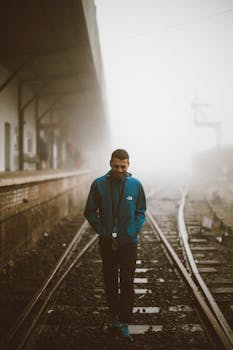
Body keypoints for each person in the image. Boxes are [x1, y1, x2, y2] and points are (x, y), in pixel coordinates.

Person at [84, 149, 146, 341]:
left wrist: (132, 231)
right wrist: (103, 232)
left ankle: (124, 321)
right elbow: (90, 211)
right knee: (110, 281)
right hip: (107, 243)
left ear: (128, 165)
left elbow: (141, 211)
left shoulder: (136, 185)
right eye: (116, 166)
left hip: (129, 243)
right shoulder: (99, 185)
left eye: (123, 166)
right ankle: (114, 318)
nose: (120, 170)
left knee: (127, 282)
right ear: (110, 163)